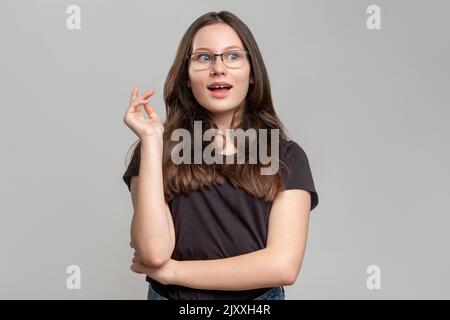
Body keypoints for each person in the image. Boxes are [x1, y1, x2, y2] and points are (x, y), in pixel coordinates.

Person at [122, 10, 319, 300]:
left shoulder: (285, 156)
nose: (218, 68)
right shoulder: (157, 151)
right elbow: (153, 253)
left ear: (252, 74)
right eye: (204, 57)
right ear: (186, 78)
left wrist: (174, 272)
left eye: (233, 56)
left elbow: (282, 266)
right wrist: (152, 141)